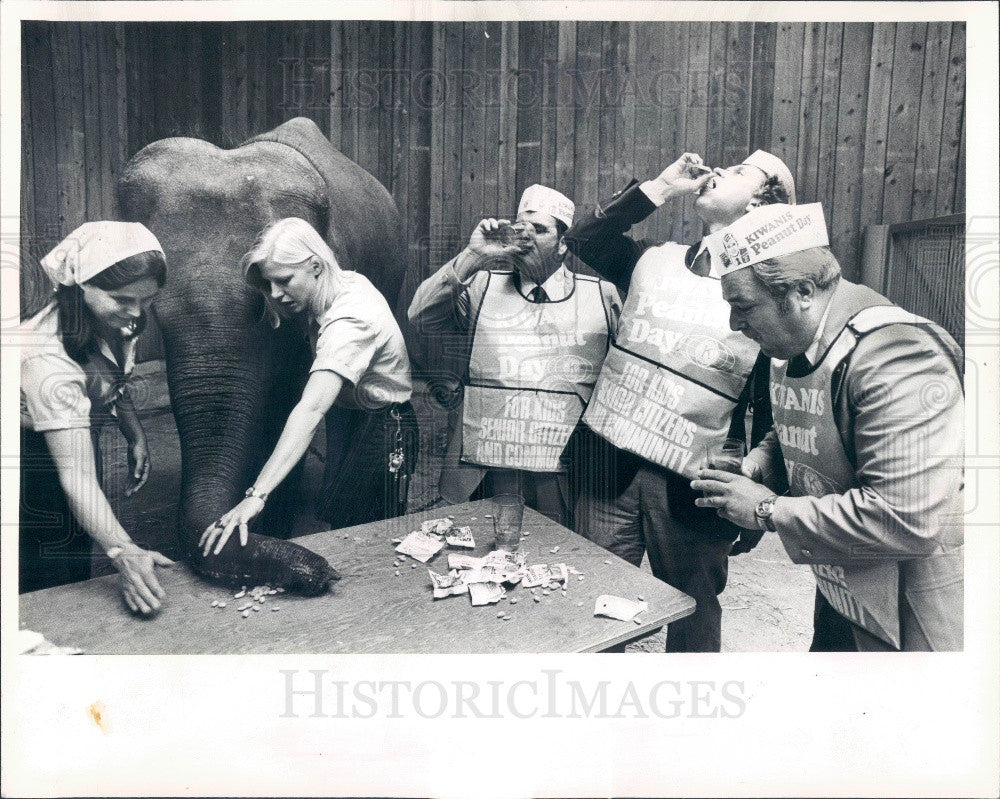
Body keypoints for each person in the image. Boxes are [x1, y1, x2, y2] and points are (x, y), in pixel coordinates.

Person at [693, 202, 964, 651]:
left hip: (912, 609)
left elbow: (907, 518)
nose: (733, 324)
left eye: (743, 306)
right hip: (846, 583)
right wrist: (760, 463)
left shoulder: (897, 357)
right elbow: (807, 421)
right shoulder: (798, 340)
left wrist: (767, 510)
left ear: (801, 291)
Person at [563, 150, 795, 652]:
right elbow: (583, 239)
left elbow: (776, 408)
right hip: (609, 465)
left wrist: (756, 489)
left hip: (695, 485)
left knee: (692, 612)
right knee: (597, 605)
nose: (717, 171)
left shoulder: (771, 295)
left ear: (762, 200)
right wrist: (661, 188)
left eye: (737, 172)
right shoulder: (654, 259)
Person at [407, 185, 621, 526]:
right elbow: (420, 313)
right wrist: (474, 255)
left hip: (560, 469)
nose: (526, 238)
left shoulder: (600, 295)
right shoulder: (482, 284)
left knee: (555, 557)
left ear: (563, 244)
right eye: (520, 228)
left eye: (539, 230)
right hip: (486, 463)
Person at [200, 217, 416, 554]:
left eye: (284, 281)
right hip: (349, 414)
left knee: (367, 533)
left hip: (387, 424)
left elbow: (311, 408)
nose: (275, 294)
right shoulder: (343, 281)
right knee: (337, 511)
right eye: (269, 284)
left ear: (316, 266)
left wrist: (256, 496)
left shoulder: (351, 322)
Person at [19, 221, 174, 614]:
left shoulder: (123, 315)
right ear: (80, 287)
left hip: (72, 431)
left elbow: (112, 379)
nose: (136, 313)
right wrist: (123, 551)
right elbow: (77, 477)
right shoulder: (45, 354)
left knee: (81, 535)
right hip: (22, 451)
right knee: (43, 549)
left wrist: (135, 433)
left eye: (147, 300)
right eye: (123, 299)